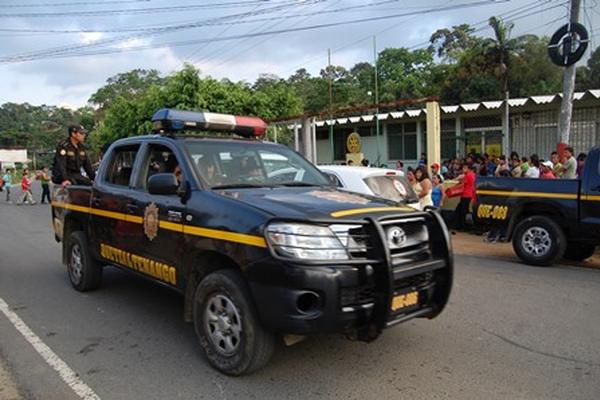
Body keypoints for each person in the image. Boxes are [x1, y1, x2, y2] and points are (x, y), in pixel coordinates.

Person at [454, 163, 476, 231]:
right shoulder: (472, 174)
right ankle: (463, 226)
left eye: (465, 168)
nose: (463, 169)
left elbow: (461, 183)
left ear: (468, 168)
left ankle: (463, 227)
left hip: (466, 195)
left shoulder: (468, 175)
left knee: (462, 212)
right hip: (469, 195)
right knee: (463, 211)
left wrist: (458, 179)